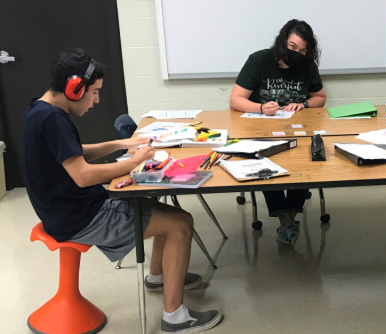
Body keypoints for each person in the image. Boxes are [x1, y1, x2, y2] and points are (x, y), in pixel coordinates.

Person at [20, 49, 222, 333]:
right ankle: (175, 318)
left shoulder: (39, 110)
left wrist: (120, 144)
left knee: (168, 212)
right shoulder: (53, 119)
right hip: (79, 217)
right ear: (74, 88)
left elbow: (72, 152)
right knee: (181, 223)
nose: (97, 99)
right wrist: (134, 162)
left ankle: (157, 277)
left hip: (65, 211)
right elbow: (82, 175)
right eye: (94, 92)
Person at [230, 19, 327, 245]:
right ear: (282, 42)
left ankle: (288, 218)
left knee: (308, 161)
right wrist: (261, 108)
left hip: (297, 129)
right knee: (264, 162)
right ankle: (286, 219)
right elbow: (235, 99)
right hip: (261, 128)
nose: (297, 54)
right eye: (293, 47)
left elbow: (320, 97)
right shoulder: (259, 60)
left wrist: (305, 105)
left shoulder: (308, 66)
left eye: (303, 50)